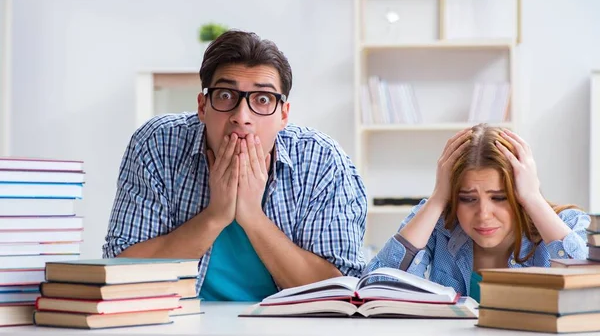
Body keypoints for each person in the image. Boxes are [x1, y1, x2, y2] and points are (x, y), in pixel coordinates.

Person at [102, 30, 367, 301]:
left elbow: (342, 290)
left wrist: (252, 216)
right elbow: (119, 270)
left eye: (262, 100)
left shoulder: (321, 160)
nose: (242, 117)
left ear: (283, 114)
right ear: (202, 106)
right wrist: (215, 215)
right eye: (226, 95)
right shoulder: (158, 143)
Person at [365, 124, 590, 302]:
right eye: (468, 199)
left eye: (499, 198)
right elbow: (374, 290)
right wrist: (437, 199)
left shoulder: (566, 224)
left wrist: (532, 197)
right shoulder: (439, 223)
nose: (483, 214)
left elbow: (589, 291)